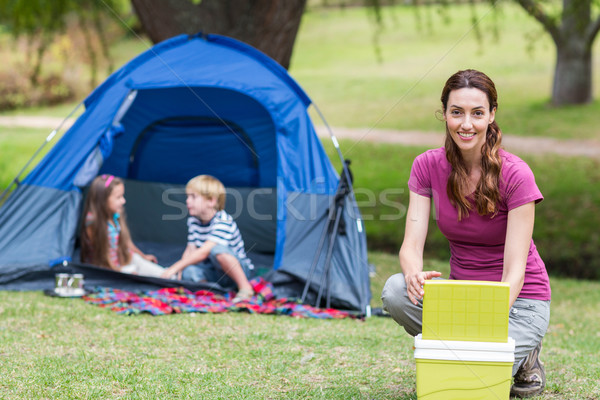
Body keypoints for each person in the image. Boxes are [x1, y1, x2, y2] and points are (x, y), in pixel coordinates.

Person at [381, 69, 551, 398]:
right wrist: (413, 273)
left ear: (491, 115)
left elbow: (515, 270)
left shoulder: (516, 174)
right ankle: (473, 350)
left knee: (468, 386)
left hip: (518, 303)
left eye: (477, 113)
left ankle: (521, 354)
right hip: (462, 299)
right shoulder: (426, 166)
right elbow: (410, 246)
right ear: (444, 113)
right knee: (395, 291)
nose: (466, 124)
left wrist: (486, 317)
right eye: (456, 112)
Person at [160, 175, 255, 303]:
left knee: (217, 250)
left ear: (211, 201)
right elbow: (191, 249)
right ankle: (208, 292)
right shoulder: (193, 221)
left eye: (193, 197)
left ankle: (245, 288)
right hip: (214, 273)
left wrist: (174, 267)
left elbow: (204, 251)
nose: (188, 201)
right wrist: (180, 273)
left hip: (237, 271)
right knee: (189, 270)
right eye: (187, 196)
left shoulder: (223, 220)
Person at [80, 174, 167, 277]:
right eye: (118, 197)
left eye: (123, 196)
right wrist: (121, 271)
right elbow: (102, 256)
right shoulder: (93, 222)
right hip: (107, 268)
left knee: (161, 273)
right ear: (102, 199)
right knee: (134, 273)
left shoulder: (115, 215)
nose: (123, 201)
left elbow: (126, 242)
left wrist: (143, 256)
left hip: (123, 260)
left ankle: (168, 274)